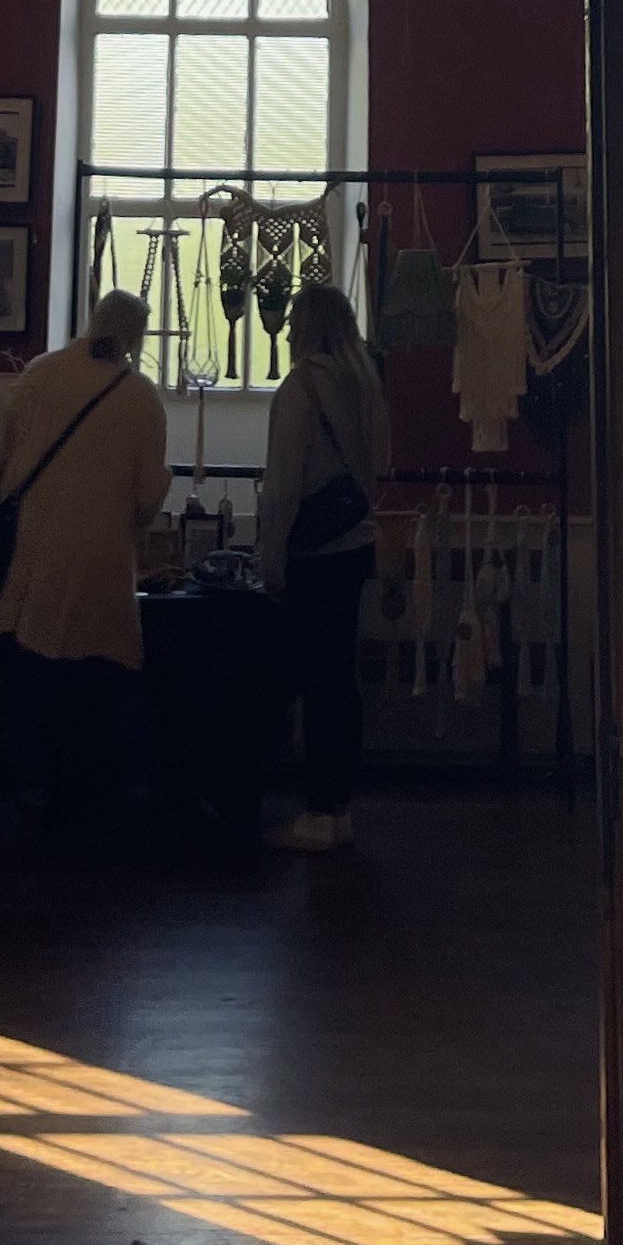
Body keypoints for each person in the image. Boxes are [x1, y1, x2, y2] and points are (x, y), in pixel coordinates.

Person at [0, 291, 169, 837]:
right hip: (102, 553)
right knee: (107, 669)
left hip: (37, 543)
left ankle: (33, 785)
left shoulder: (40, 374)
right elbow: (147, 496)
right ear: (134, 335)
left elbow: (3, 465)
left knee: (35, 663)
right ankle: (111, 788)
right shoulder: (140, 396)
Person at [257, 283, 390, 852]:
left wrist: (269, 559)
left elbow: (282, 486)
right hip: (356, 543)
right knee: (341, 680)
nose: (287, 330)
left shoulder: (300, 388)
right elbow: (381, 461)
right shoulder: (365, 381)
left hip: (314, 553)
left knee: (316, 681)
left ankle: (314, 814)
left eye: (293, 321)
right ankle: (339, 806)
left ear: (307, 326)